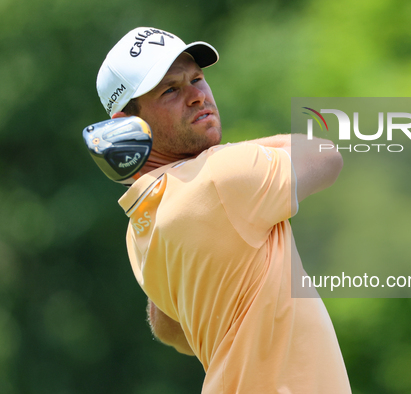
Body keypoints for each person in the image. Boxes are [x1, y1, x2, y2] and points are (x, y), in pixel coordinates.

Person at [96, 27, 351, 393]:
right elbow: (326, 155)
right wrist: (216, 155)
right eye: (171, 90)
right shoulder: (221, 176)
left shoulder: (140, 225)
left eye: (197, 79)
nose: (197, 96)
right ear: (127, 126)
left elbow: (170, 330)